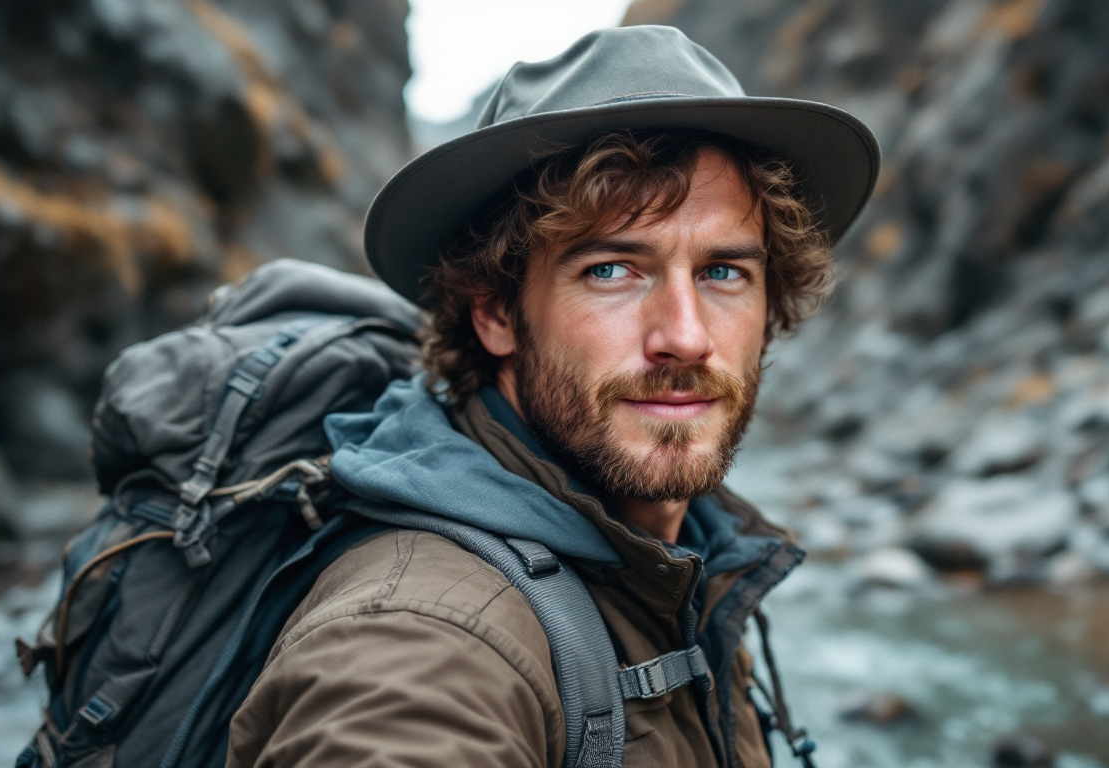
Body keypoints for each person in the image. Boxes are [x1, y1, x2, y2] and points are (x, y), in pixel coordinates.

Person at [226, 25, 877, 768]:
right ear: (496, 312)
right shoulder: (422, 638)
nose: (686, 337)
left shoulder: (686, 563)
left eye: (723, 272)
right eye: (611, 270)